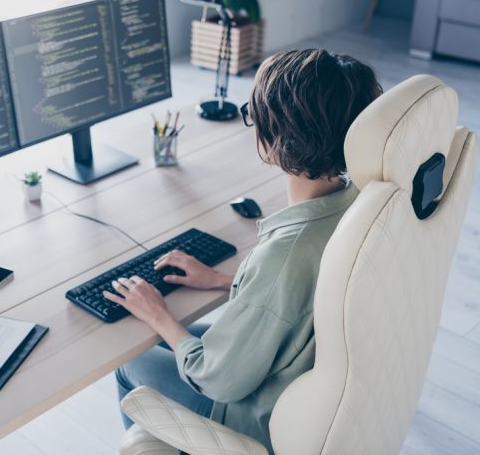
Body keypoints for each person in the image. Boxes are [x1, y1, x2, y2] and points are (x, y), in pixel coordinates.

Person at [108, 48, 383, 452]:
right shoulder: (361, 201)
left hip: (255, 418)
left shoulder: (285, 255)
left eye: (252, 113)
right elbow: (299, 292)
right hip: (301, 383)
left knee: (130, 359)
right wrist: (224, 280)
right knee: (175, 340)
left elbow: (218, 380)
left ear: (275, 135)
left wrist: (159, 315)